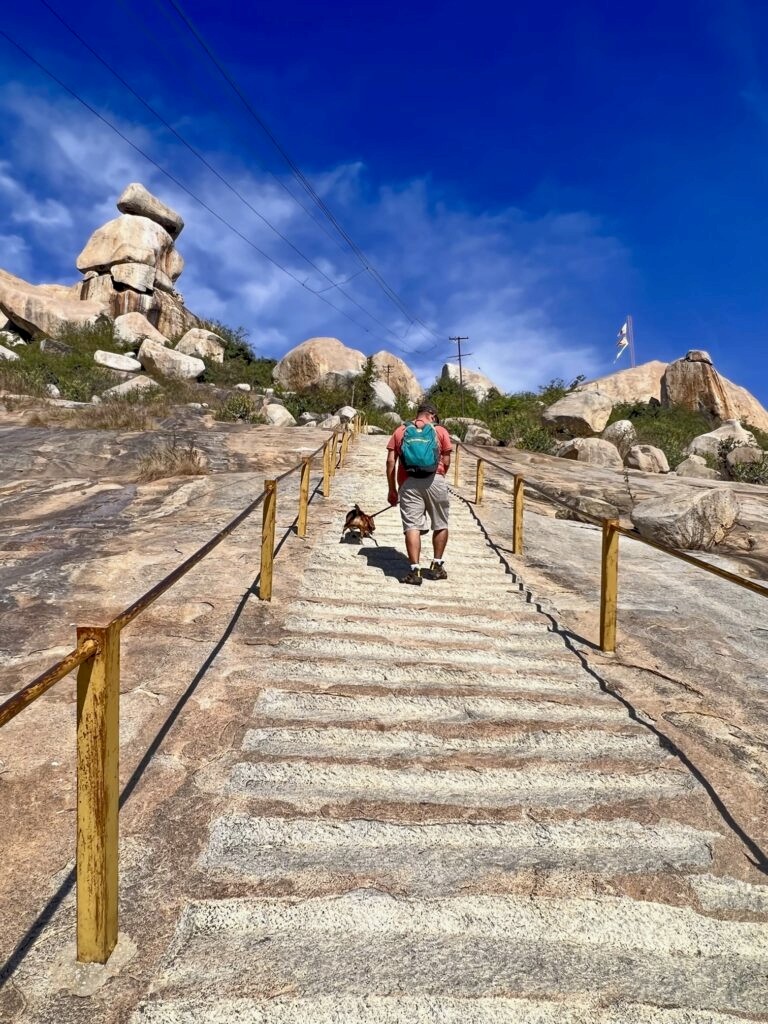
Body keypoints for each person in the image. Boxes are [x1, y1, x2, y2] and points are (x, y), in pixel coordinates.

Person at [386, 401, 453, 586]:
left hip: (408, 483)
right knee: (440, 522)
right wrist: (439, 475)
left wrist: (392, 489)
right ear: (431, 415)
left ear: (418, 414)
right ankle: (437, 567)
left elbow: (391, 462)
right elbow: (446, 459)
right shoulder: (440, 431)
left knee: (412, 527)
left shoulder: (400, 431)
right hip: (435, 479)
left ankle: (415, 571)